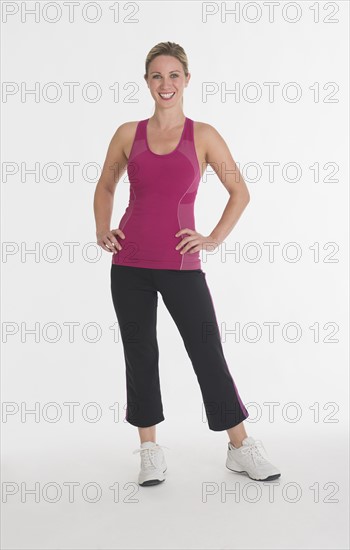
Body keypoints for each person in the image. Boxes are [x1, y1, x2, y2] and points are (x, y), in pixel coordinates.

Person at [93, 41, 281, 487]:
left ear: (187, 80)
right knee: (141, 355)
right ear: (146, 82)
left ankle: (239, 446)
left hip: (182, 266)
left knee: (206, 353)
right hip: (130, 264)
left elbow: (241, 193)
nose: (166, 84)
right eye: (157, 76)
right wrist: (103, 228)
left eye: (174, 75)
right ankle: (149, 450)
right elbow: (105, 186)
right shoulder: (127, 133)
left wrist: (213, 237)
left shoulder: (205, 135)